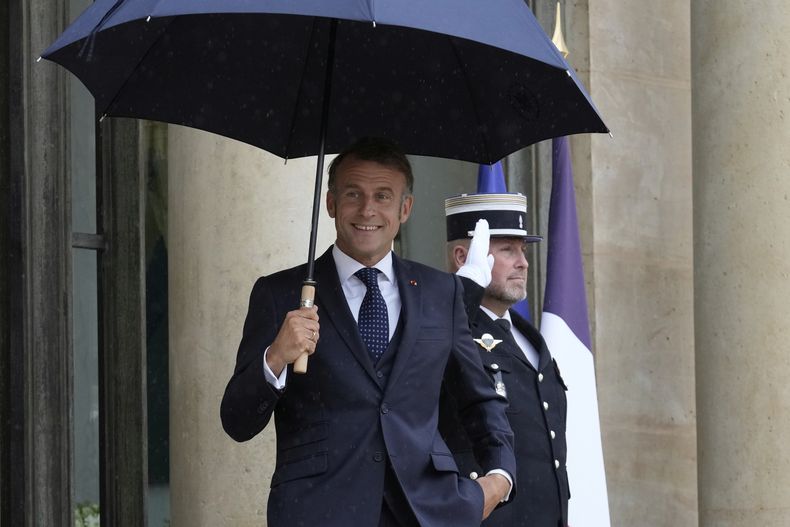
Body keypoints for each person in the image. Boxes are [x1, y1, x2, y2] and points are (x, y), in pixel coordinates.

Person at [220, 138, 516, 527]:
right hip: (317, 512)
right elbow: (237, 421)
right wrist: (276, 357)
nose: (367, 210)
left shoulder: (441, 294)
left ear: (404, 208)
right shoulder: (280, 294)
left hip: (428, 511)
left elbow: (478, 400)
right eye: (353, 194)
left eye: (382, 195)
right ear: (330, 203)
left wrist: (498, 479)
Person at [440, 193, 570, 527]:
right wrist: (464, 291)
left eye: (522, 250)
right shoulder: (450, 331)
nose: (523, 263)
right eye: (507, 250)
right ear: (462, 256)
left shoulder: (529, 338)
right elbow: (437, 352)